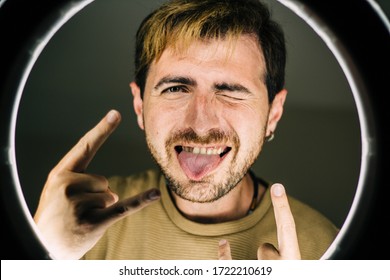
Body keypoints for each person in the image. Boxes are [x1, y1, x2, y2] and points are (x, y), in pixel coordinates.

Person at [33, 0, 339, 260]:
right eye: (176, 88)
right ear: (140, 105)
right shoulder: (75, 222)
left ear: (274, 113)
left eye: (230, 91)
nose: (201, 124)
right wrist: (40, 257)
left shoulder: (330, 247)